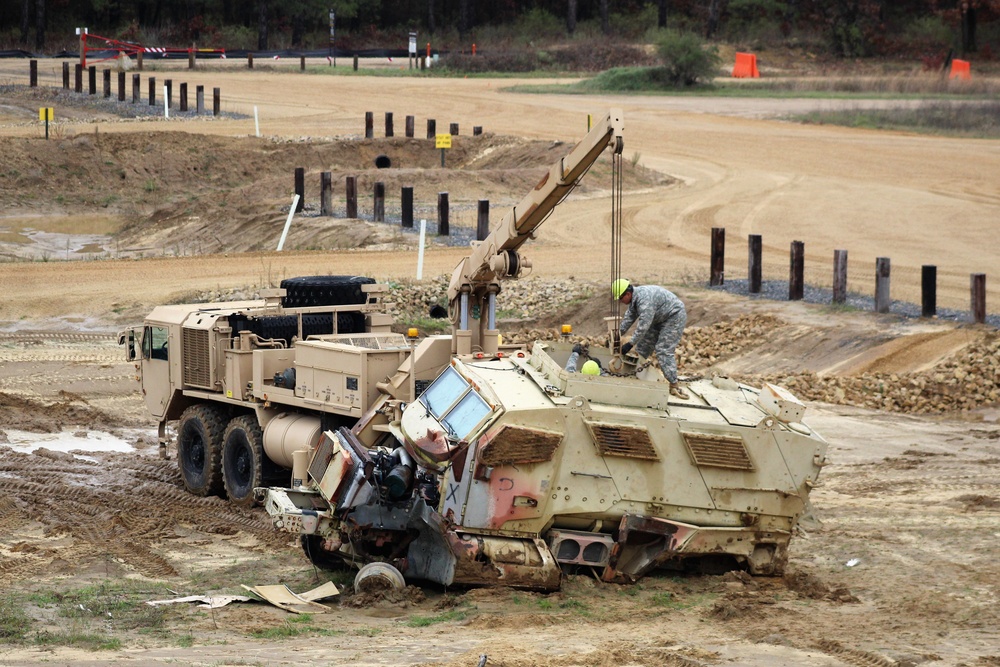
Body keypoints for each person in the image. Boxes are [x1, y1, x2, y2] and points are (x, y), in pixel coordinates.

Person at [613, 278, 689, 399]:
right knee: (642, 348)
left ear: (627, 294)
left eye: (620, 298)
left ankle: (674, 385)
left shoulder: (644, 300)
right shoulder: (634, 300)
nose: (620, 301)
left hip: (673, 317)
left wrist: (630, 344)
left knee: (663, 350)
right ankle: (634, 376)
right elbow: (628, 319)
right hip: (658, 318)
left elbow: (643, 326)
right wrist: (615, 336)